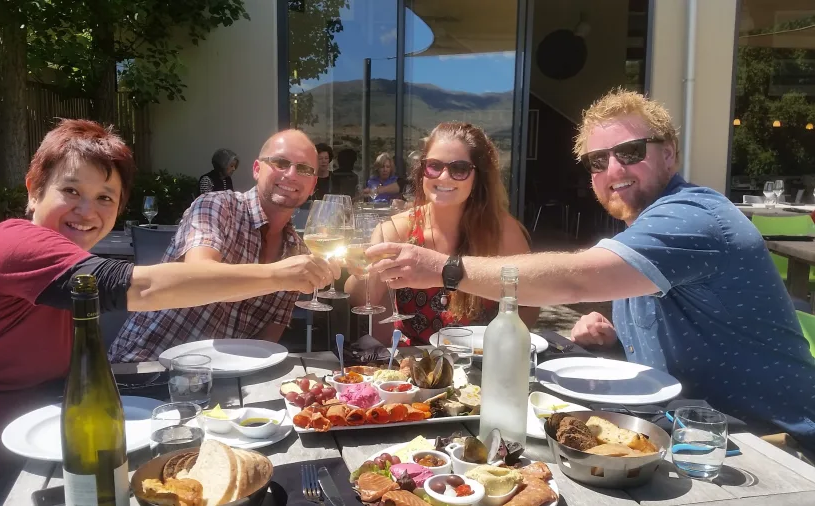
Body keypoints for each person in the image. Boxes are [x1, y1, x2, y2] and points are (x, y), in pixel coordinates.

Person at [366, 89, 815, 452]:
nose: (613, 169)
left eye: (630, 151)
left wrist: (444, 269)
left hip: (770, 442)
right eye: (599, 161)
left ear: (669, 155)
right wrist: (618, 336)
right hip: (692, 429)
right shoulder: (642, 231)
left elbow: (576, 278)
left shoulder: (693, 216)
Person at [0, 121, 337, 504]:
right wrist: (277, 275)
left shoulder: (71, 268)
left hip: (22, 464)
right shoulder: (14, 242)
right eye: (71, 191)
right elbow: (144, 286)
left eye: (105, 197)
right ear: (33, 189)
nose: (87, 210)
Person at [109, 129, 326, 362]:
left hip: (221, 382)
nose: (291, 174)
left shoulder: (296, 252)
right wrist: (280, 275)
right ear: (256, 169)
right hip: (143, 367)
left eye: (303, 169)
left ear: (313, 184)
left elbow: (267, 340)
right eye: (280, 162)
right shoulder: (217, 206)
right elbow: (199, 276)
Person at [347, 122, 538, 345]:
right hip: (412, 366)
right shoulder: (396, 230)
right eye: (434, 166)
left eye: (459, 169)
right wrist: (363, 273)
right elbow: (362, 300)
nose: (444, 177)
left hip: (478, 363)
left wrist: (503, 349)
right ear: (422, 171)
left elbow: (529, 303)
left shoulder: (503, 233)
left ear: (478, 177)